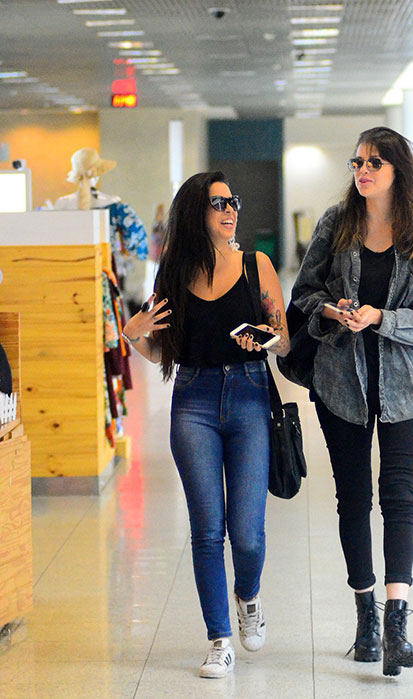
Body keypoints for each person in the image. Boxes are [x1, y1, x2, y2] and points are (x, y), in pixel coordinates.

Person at [290, 127, 413, 677]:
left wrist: (381, 317)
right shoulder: (336, 223)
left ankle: (397, 623)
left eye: (374, 162)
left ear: (398, 170)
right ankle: (366, 619)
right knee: (353, 499)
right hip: (341, 383)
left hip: (407, 386)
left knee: (398, 499)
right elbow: (303, 294)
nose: (363, 170)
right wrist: (333, 311)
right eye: (357, 161)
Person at [121, 170, 290, 679]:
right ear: (197, 212)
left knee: (248, 534)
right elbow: (161, 352)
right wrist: (134, 336)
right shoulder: (173, 271)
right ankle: (219, 637)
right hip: (192, 401)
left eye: (233, 201)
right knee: (206, 530)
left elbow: (283, 340)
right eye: (218, 203)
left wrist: (266, 339)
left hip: (249, 397)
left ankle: (249, 595)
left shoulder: (256, 266)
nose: (230, 209)